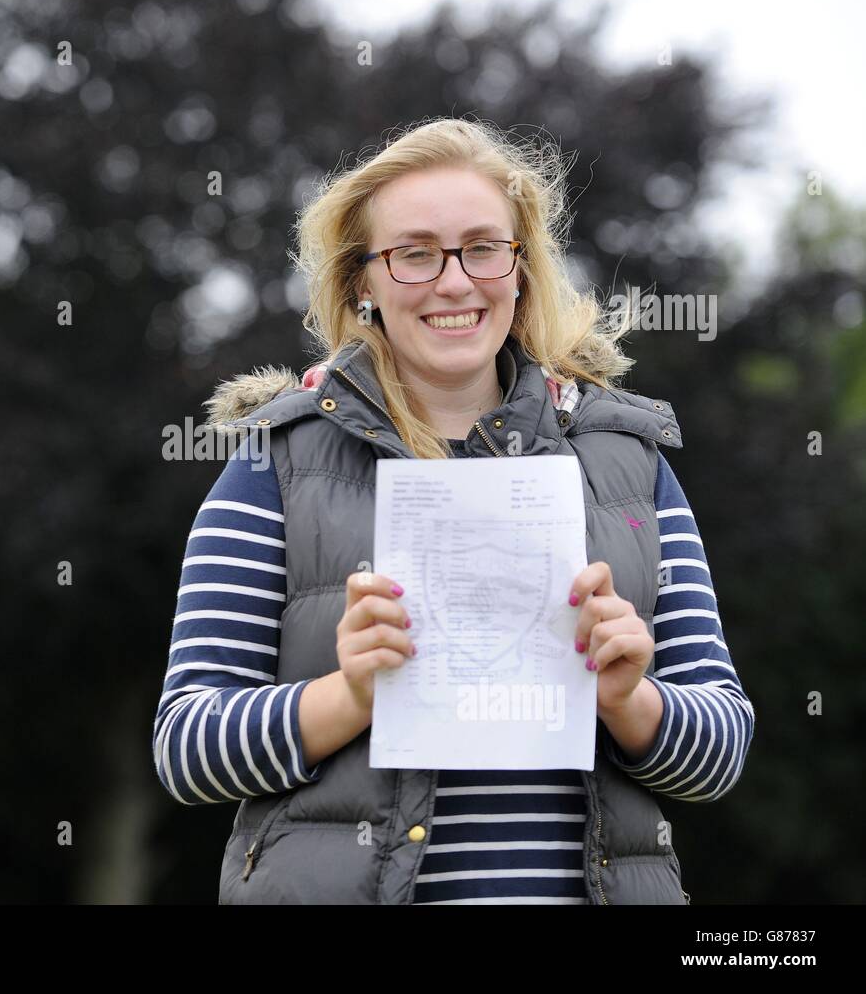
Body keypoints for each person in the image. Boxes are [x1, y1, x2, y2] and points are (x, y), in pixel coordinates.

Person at [151, 117, 754, 904]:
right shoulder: (275, 462)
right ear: (362, 279)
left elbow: (722, 751)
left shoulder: (628, 462)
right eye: (414, 253)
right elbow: (188, 748)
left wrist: (628, 698)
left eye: (482, 247)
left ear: (521, 267)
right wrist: (349, 695)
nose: (455, 281)